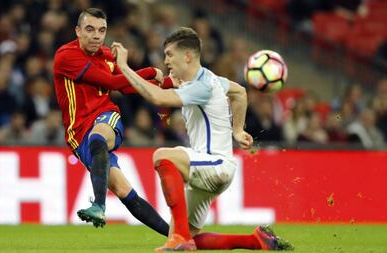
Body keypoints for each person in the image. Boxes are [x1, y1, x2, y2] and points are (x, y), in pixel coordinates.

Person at [112, 27, 293, 251]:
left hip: (215, 165)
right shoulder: (210, 79)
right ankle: (255, 241)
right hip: (209, 168)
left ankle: (180, 236)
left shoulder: (202, 86)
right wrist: (237, 130)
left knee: (162, 156)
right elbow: (239, 93)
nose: (166, 60)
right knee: (186, 241)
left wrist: (123, 67)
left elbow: (158, 97)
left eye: (169, 54)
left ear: (187, 56)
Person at [53, 8, 170, 236]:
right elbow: (114, 82)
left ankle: (98, 205)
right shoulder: (66, 56)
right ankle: (178, 236)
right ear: (77, 31)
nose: (96, 35)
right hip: (77, 135)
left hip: (106, 117)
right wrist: (150, 71)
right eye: (90, 29)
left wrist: (167, 84)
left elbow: (125, 86)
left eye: (101, 30)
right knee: (126, 192)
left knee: (98, 138)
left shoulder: (105, 55)